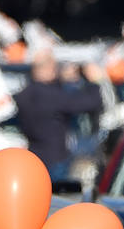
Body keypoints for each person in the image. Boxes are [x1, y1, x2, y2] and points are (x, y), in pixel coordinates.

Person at [13, 48, 104, 181]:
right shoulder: (51, 96)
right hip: (55, 159)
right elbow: (90, 103)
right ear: (49, 69)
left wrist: (63, 80)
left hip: (33, 156)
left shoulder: (23, 95)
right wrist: (94, 81)